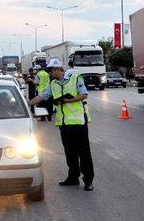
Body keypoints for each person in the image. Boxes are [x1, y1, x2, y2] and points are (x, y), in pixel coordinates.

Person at [28, 59, 94, 191]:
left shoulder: (75, 78)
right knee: (70, 152)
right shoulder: (53, 84)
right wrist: (26, 104)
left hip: (78, 122)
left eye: (51, 71)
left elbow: (84, 95)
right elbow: (42, 96)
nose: (50, 73)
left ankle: (88, 180)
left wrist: (66, 100)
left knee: (84, 152)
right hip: (64, 124)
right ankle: (73, 177)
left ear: (57, 69)